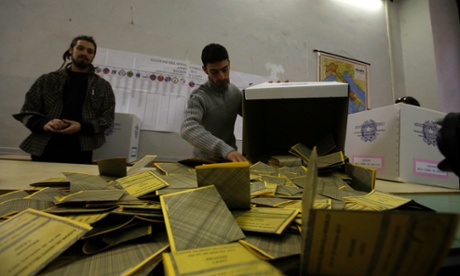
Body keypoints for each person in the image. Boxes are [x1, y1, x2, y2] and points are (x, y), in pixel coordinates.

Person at [13, 35, 116, 164]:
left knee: (76, 184)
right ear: (71, 50)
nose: (85, 53)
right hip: (45, 148)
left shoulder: (102, 86)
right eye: (80, 48)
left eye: (90, 51)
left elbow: (107, 119)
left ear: (93, 57)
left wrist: (81, 126)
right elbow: (27, 112)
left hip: (81, 151)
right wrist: (44, 124)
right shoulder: (47, 80)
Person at [180, 43, 248, 163]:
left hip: (230, 162)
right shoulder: (198, 97)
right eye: (214, 72)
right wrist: (224, 149)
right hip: (205, 162)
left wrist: (275, 90)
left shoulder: (235, 93)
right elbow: (187, 128)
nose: (221, 77)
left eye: (225, 70)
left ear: (229, 63)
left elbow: (257, 116)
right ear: (205, 70)